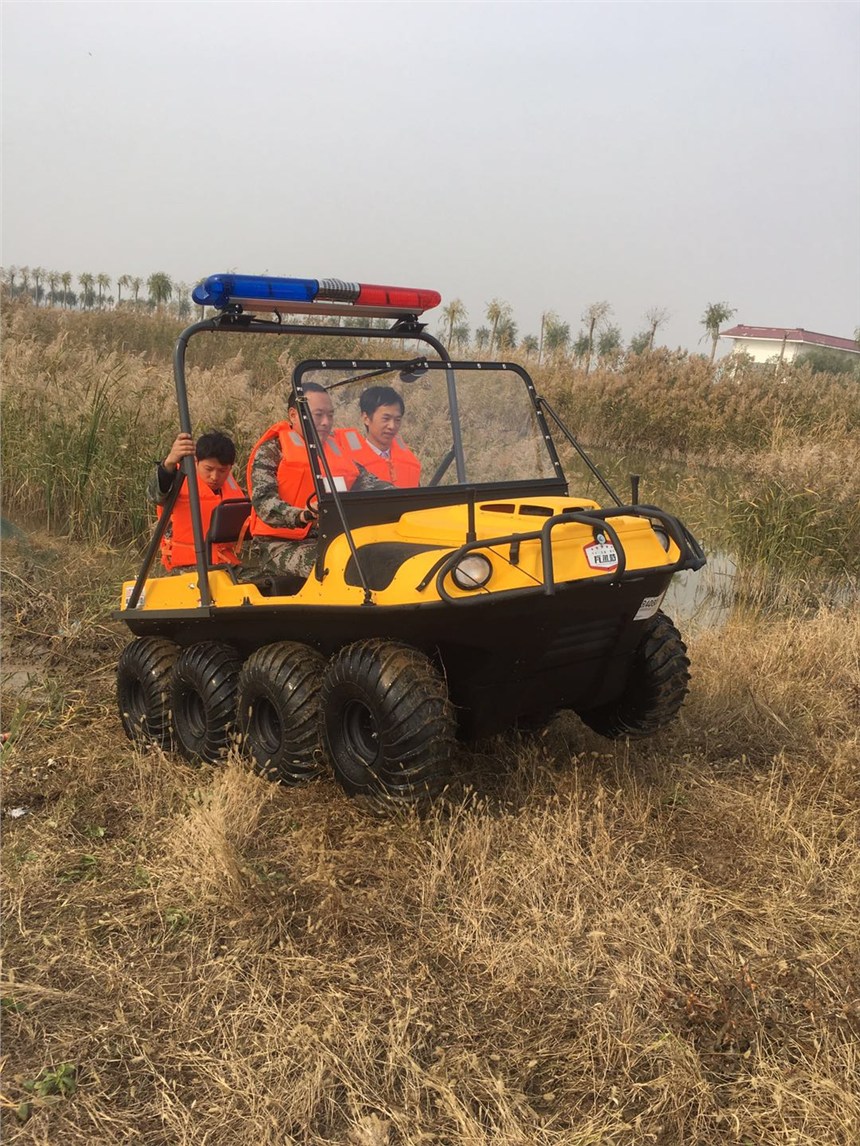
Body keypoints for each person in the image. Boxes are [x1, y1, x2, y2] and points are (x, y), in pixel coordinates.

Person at [245, 382, 358, 580]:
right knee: (333, 566)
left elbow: (370, 482)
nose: (326, 422)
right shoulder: (272, 451)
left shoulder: (336, 449)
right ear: (293, 415)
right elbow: (263, 503)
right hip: (278, 545)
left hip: (330, 537)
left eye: (330, 415)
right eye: (318, 415)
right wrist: (302, 515)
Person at [148, 430, 245, 573]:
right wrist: (169, 463)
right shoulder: (178, 478)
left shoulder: (231, 487)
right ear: (197, 462)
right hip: (184, 567)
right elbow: (155, 495)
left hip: (225, 564)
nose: (214, 476)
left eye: (222, 471)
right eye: (209, 469)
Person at [336, 385, 421, 488]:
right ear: (366, 418)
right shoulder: (351, 464)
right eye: (386, 419)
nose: (392, 426)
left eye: (397, 420)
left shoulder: (409, 462)